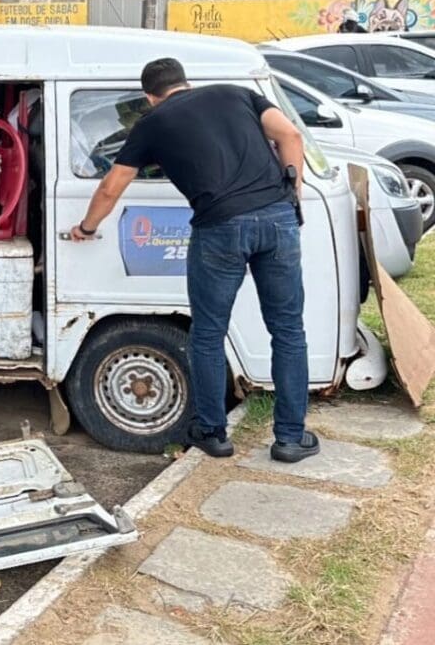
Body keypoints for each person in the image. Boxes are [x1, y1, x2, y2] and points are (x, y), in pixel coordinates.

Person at [70, 58, 319, 464]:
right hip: (278, 217)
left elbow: (112, 187)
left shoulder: (150, 124)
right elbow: (289, 134)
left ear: (149, 96)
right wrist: (293, 192)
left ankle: (213, 433)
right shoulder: (235, 93)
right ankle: (290, 439)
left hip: (219, 227)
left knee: (207, 333)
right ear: (185, 82)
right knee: (288, 329)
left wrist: (87, 226)